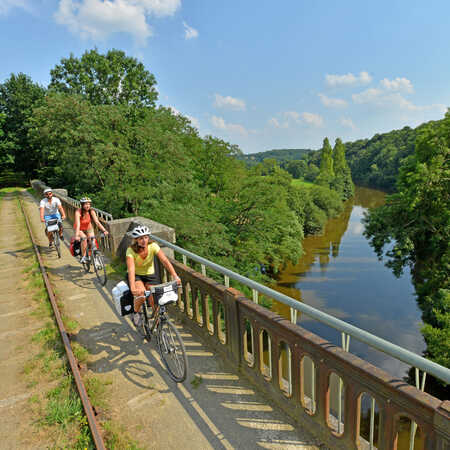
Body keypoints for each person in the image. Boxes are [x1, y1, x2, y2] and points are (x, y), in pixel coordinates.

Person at [126, 225, 180, 327]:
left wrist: (175, 276)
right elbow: (131, 269)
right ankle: (136, 312)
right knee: (141, 295)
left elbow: (164, 261)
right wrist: (133, 287)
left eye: (146, 237)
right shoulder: (130, 250)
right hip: (137, 276)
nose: (144, 240)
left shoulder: (153, 246)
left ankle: (157, 323)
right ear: (136, 239)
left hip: (151, 275)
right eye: (141, 238)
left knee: (155, 300)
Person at [74, 197, 109, 263]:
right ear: (82, 205)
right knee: (84, 239)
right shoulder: (78, 212)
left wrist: (104, 230)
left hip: (88, 228)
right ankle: (84, 257)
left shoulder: (91, 211)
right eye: (86, 204)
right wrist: (77, 236)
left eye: (89, 204)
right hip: (80, 229)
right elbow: (78, 225)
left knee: (93, 242)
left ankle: (96, 259)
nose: (88, 206)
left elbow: (97, 222)